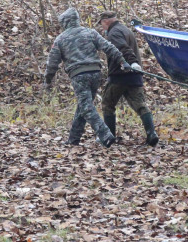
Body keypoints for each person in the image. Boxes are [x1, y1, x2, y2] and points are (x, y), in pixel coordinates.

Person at [44, 8, 131, 147]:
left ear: (64, 22)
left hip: (79, 75)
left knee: (86, 107)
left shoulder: (60, 39)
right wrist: (122, 61)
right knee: (83, 106)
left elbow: (52, 63)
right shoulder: (90, 32)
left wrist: (48, 80)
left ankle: (105, 135)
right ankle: (73, 139)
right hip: (96, 74)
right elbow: (108, 47)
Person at [98, 11, 158, 146]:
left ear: (106, 21)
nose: (102, 27)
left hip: (120, 75)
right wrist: (136, 65)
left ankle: (109, 137)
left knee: (107, 104)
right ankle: (151, 133)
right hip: (134, 75)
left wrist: (132, 62)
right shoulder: (126, 29)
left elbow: (123, 49)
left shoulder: (114, 33)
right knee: (140, 105)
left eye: (101, 23)